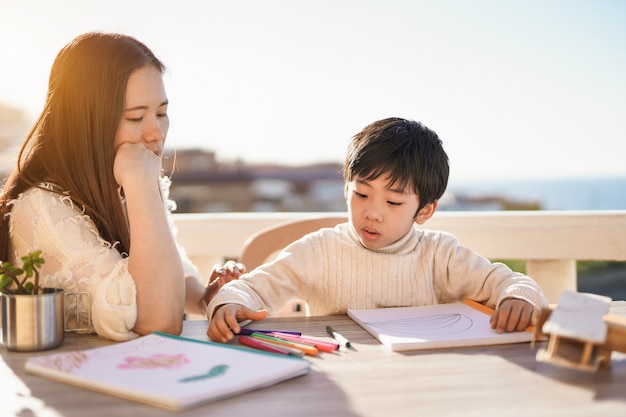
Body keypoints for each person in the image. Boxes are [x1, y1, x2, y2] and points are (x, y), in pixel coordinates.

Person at [206, 117, 549, 343]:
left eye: (394, 203)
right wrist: (229, 302)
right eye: (361, 194)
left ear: (425, 210)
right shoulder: (320, 250)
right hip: (343, 381)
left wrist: (518, 296)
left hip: (421, 384)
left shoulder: (440, 254)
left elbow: (508, 282)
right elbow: (254, 288)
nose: (372, 213)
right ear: (346, 189)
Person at [0, 32, 244, 342]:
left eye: (161, 113)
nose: (156, 133)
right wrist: (141, 183)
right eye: (135, 117)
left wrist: (203, 296)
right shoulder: (42, 209)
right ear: (86, 122)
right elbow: (159, 321)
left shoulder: (128, 179)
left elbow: (161, 265)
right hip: (70, 383)